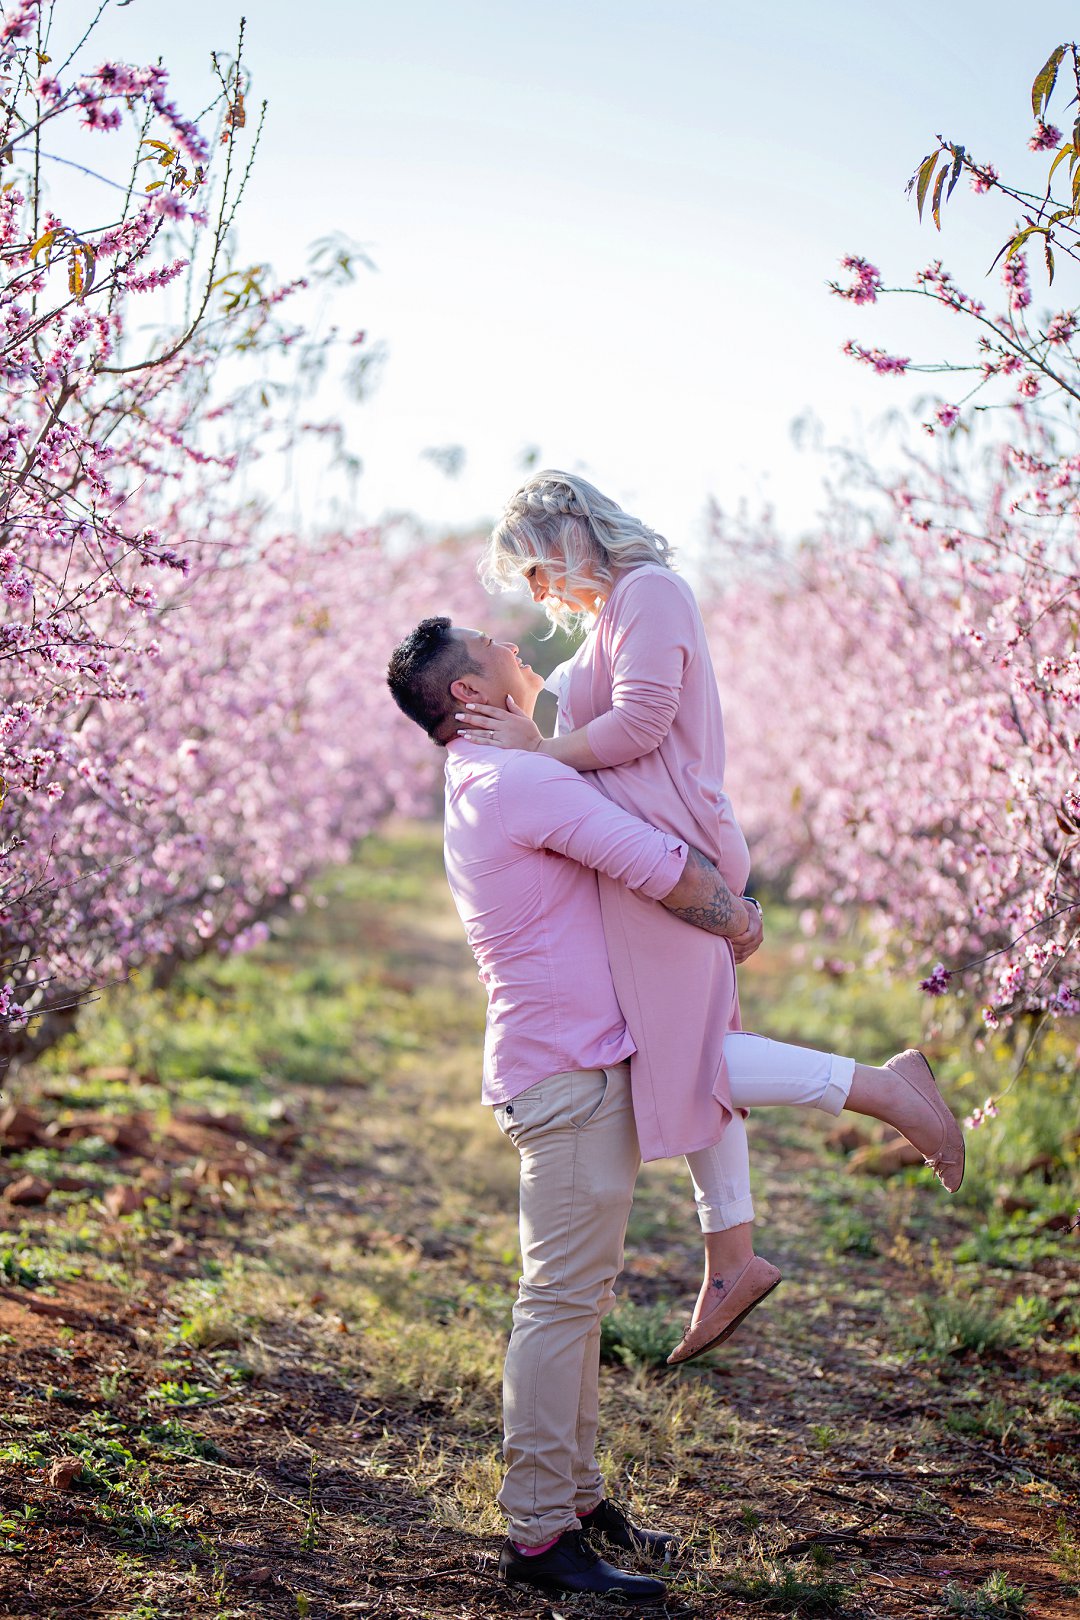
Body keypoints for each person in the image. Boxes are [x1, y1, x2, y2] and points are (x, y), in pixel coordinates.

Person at [387, 616, 963, 1597]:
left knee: (579, 1296)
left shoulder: (491, 776)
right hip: (562, 1075)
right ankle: (537, 1538)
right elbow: (657, 864)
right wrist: (737, 917)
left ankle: (574, 1499)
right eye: (493, 645)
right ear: (469, 698)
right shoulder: (513, 780)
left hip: (573, 1067)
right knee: (559, 1303)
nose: (515, 643)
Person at [458, 470, 965, 1362]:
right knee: (686, 1047)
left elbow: (643, 724)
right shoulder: (613, 618)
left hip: (671, 849)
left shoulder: (650, 591)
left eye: (537, 571)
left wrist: (542, 749)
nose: (538, 595)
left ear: (572, 537)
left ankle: (887, 1092)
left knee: (687, 1055)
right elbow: (585, 715)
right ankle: (730, 1258)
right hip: (649, 852)